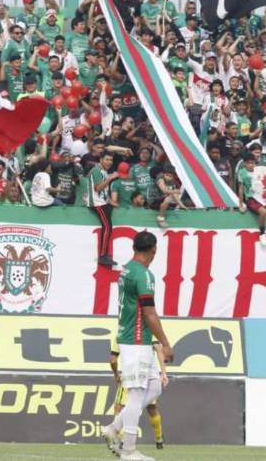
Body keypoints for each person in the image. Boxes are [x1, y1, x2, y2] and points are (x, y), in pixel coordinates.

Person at [102, 231, 173, 461]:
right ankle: (129, 451)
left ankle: (113, 428)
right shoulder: (144, 275)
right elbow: (149, 313)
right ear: (153, 249)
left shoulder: (126, 270)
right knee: (136, 395)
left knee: (155, 387)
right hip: (137, 341)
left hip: (131, 337)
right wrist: (165, 343)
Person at [110, 338, 167, 452]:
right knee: (151, 408)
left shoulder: (121, 334)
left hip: (130, 376)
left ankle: (121, 439)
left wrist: (116, 374)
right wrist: (164, 372)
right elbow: (158, 348)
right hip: (147, 377)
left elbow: (112, 360)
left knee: (121, 407)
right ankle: (159, 439)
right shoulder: (148, 330)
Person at [87, 152, 119, 267]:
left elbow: (104, 194)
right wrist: (110, 178)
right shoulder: (96, 170)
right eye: (107, 159)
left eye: (111, 160)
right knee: (107, 227)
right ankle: (102, 256)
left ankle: (104, 255)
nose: (109, 162)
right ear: (101, 159)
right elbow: (98, 188)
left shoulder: (103, 172)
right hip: (97, 203)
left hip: (102, 202)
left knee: (108, 227)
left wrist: (113, 203)